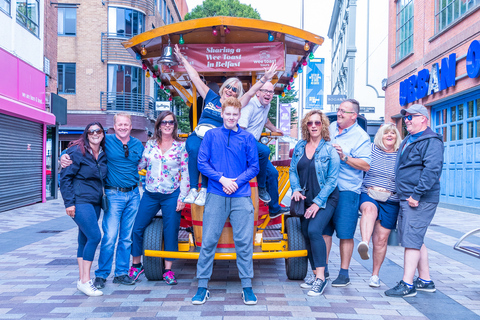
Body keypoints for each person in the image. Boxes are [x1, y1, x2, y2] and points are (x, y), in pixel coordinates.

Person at [174, 44, 276, 206]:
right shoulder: (211, 97)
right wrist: (182, 60)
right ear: (223, 88)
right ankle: (193, 189)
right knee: (193, 147)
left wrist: (265, 78)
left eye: (234, 89)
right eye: (228, 86)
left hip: (214, 138)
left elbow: (250, 93)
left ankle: (204, 190)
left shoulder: (236, 104)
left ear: (237, 94)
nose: (230, 90)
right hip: (199, 133)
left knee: (208, 152)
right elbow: (194, 77)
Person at [61, 112, 144, 289]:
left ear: (131, 126)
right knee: (110, 236)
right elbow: (80, 147)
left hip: (133, 195)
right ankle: (101, 274)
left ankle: (121, 273)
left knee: (126, 237)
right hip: (113, 195)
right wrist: (63, 156)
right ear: (114, 127)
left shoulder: (138, 144)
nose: (123, 127)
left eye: (126, 124)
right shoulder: (107, 141)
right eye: (120, 124)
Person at [191, 97, 260, 305]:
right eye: (228, 114)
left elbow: (254, 166)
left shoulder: (247, 138)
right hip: (216, 193)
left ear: (239, 116)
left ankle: (247, 287)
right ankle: (202, 287)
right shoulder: (211, 136)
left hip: (240, 195)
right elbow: (201, 162)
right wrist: (222, 179)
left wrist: (236, 182)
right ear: (222, 114)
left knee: (244, 243)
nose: (231, 117)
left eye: (235, 114)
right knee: (208, 241)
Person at [385, 104, 444, 297]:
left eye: (411, 117)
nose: (407, 120)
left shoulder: (431, 141)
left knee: (411, 240)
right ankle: (425, 280)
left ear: (423, 119)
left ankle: (407, 284)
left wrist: (416, 195)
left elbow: (432, 170)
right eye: (406, 117)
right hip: (407, 196)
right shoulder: (409, 139)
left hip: (418, 199)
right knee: (415, 237)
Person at [129, 111, 189, 284]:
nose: (168, 125)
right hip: (151, 194)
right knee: (137, 228)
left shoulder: (181, 146)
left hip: (172, 195)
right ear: (159, 126)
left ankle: (168, 270)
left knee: (171, 231)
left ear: (175, 125)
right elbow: (141, 164)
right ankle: (136, 265)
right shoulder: (150, 145)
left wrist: (182, 198)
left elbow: (185, 173)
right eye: (164, 122)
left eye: (171, 122)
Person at [290, 110, 340, 296]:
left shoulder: (329, 150)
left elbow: (332, 180)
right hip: (305, 198)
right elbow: (293, 171)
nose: (313, 126)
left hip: (326, 199)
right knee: (305, 232)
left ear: (323, 125)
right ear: (306, 126)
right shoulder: (300, 146)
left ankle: (321, 278)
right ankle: (313, 274)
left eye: (317, 123)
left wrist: (318, 203)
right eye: (310, 123)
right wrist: (295, 189)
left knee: (314, 231)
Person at [323, 99, 371, 287]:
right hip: (327, 188)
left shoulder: (361, 137)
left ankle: (344, 273)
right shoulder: (332, 127)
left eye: (343, 111)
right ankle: (323, 269)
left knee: (345, 234)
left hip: (347, 191)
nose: (339, 113)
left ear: (354, 116)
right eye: (339, 110)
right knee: (324, 232)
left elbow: (366, 165)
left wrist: (344, 157)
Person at [59, 122, 107, 296]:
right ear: (86, 134)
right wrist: (69, 203)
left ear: (103, 134)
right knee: (95, 236)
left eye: (98, 131)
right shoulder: (77, 151)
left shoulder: (103, 152)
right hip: (79, 201)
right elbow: (65, 178)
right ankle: (86, 281)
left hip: (94, 202)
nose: (95, 134)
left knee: (84, 239)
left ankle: (81, 280)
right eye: (91, 131)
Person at [357, 123, 402, 288]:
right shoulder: (370, 148)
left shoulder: (401, 154)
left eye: (392, 133)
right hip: (369, 193)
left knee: (382, 240)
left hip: (391, 199)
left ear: (397, 137)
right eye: (385, 133)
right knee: (369, 210)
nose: (389, 135)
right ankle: (364, 243)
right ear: (379, 136)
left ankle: (375, 275)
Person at [238, 81, 290, 219]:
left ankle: (274, 209)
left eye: (271, 92)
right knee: (264, 150)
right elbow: (240, 130)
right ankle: (261, 188)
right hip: (244, 144)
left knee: (273, 173)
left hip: (253, 144)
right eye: (265, 91)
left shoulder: (265, 105)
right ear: (257, 92)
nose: (268, 94)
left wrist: (275, 130)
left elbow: (265, 121)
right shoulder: (249, 105)